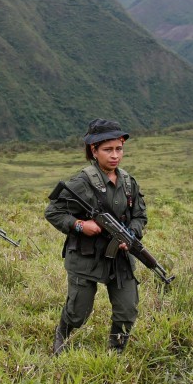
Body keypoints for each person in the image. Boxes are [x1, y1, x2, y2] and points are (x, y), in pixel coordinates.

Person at [45, 119, 148, 354]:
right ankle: (63, 333)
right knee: (78, 312)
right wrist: (81, 225)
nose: (115, 155)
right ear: (94, 150)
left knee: (127, 309)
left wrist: (131, 234)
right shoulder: (81, 182)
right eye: (108, 150)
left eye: (118, 149)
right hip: (86, 256)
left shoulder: (128, 183)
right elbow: (53, 211)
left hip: (119, 258)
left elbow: (140, 217)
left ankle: (116, 350)